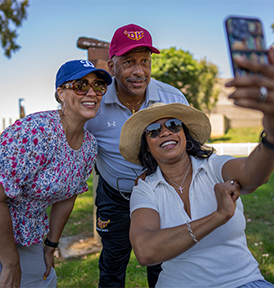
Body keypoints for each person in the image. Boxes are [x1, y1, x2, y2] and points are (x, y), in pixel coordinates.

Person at [119, 48, 274, 287]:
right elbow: (146, 251)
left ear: (184, 133)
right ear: (147, 145)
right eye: (153, 131)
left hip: (242, 282)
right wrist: (218, 216)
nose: (166, 132)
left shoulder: (214, 165)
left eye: (173, 124)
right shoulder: (146, 188)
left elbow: (253, 176)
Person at [0, 60, 112, 287]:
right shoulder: (35, 130)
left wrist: (51, 245)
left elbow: (68, 198)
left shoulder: (89, 146)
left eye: (98, 86)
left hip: (22, 229)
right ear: (61, 93)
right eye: (81, 85)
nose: (92, 92)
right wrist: (11, 263)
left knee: (45, 281)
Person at [85, 23, 189, 287]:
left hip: (160, 195)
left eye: (145, 61)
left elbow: (190, 150)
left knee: (161, 265)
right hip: (114, 196)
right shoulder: (93, 105)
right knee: (112, 265)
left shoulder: (172, 99)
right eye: (129, 62)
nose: (139, 71)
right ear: (112, 66)